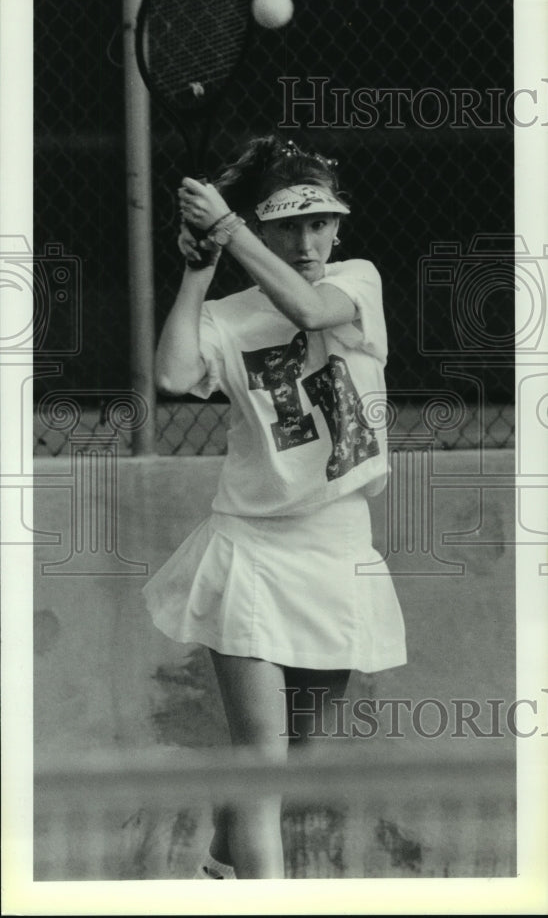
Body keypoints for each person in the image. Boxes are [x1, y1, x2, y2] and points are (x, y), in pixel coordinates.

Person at [143, 135, 406, 879]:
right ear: (263, 229)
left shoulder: (357, 279)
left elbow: (308, 308)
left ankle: (221, 867)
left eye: (321, 221)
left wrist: (228, 231)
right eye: (289, 225)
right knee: (261, 765)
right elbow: (172, 373)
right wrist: (198, 273)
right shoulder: (230, 315)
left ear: (339, 227)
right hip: (251, 549)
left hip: (340, 545)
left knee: (291, 758)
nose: (309, 238)